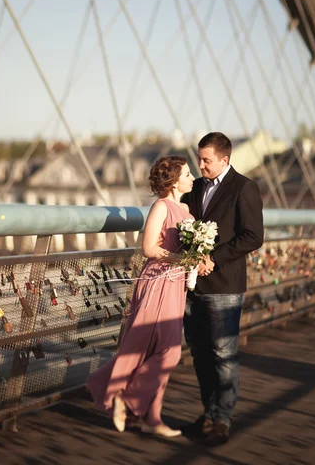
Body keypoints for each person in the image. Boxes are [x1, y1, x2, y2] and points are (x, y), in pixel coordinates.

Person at [87, 156, 213, 437]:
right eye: (187, 174)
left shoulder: (186, 211)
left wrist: (198, 258)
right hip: (157, 281)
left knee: (159, 349)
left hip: (176, 283)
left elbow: (185, 249)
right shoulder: (162, 206)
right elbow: (148, 248)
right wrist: (182, 257)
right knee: (168, 352)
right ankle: (129, 399)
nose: (193, 178)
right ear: (173, 181)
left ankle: (152, 418)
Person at [181, 132, 264, 446]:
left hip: (225, 284)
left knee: (223, 353)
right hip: (192, 284)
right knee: (200, 353)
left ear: (225, 159)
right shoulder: (196, 187)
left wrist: (213, 257)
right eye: (199, 159)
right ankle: (208, 413)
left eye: (206, 160)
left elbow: (253, 236)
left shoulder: (244, 187)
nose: (200, 165)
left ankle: (222, 419)